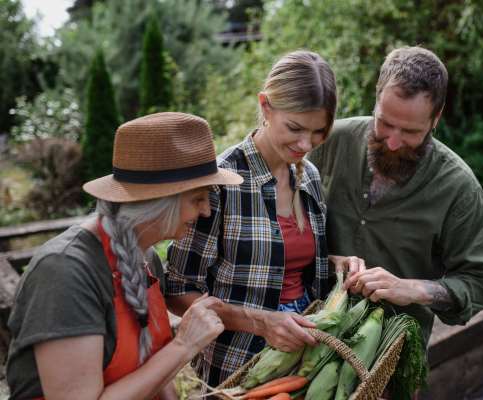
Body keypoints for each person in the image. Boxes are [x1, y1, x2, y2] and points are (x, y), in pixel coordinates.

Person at [6, 112, 244, 400]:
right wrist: (183, 346)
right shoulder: (65, 272)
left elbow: (151, 364)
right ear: (158, 202)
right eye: (198, 198)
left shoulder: (146, 257)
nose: (206, 211)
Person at [165, 50, 360, 389]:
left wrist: (336, 265)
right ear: (266, 107)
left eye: (318, 132)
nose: (305, 144)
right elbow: (178, 290)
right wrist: (260, 322)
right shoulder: (220, 181)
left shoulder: (309, 176)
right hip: (237, 364)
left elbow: (287, 266)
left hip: (305, 358)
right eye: (295, 128)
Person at [308, 46, 483, 358]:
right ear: (376, 98)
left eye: (411, 131)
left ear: (435, 118)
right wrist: (327, 261)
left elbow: (479, 284)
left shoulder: (459, 190)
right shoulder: (326, 143)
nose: (394, 142)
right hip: (304, 340)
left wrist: (413, 289)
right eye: (384, 123)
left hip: (390, 362)